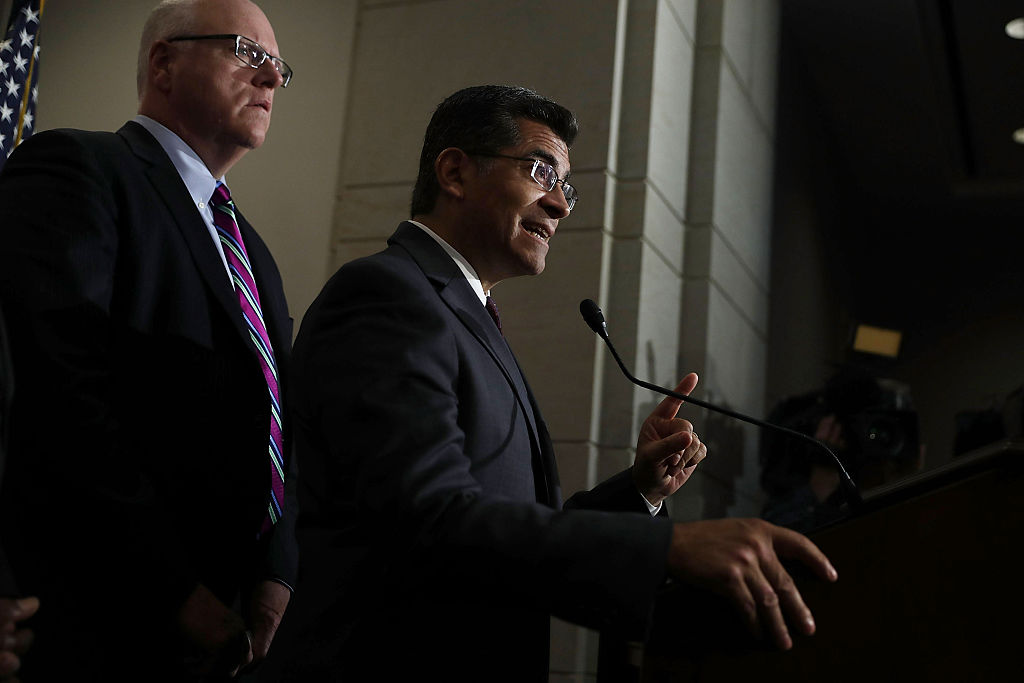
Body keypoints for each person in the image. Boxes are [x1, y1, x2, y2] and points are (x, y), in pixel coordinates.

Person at [264, 85, 838, 681]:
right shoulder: (389, 295)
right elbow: (430, 519)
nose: (561, 205)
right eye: (542, 172)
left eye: (567, 187)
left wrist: (639, 492)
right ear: (455, 172)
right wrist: (669, 549)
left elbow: (504, 519)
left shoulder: (460, 311)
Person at [0, 1, 296, 679]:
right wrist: (173, 587)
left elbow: (281, 419)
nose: (272, 80)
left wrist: (279, 570)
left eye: (279, 67)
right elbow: (58, 393)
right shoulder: (78, 170)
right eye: (247, 54)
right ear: (164, 62)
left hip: (232, 625)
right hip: (107, 617)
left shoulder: (253, 251)